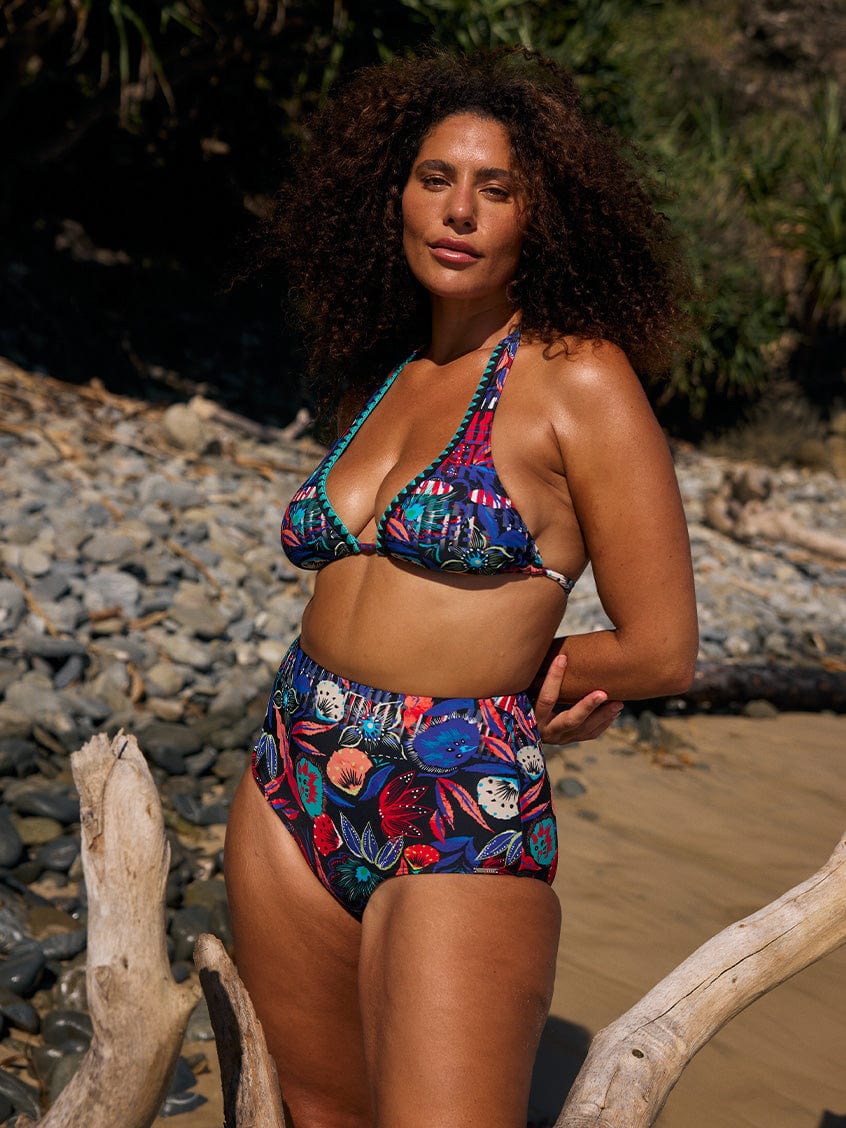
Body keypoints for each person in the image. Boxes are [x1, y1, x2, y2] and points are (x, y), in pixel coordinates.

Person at [224, 47, 698, 1128]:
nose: (460, 211)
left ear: (543, 217)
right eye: (436, 177)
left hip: (456, 795)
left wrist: (549, 669)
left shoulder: (578, 377)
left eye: (496, 189)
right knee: (314, 1117)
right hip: (290, 772)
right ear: (391, 190)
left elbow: (665, 644)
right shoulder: (390, 371)